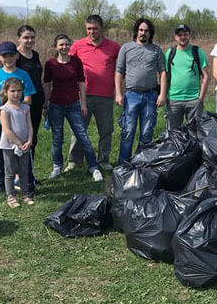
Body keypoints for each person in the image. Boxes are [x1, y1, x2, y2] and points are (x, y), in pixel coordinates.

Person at [43, 34, 103, 182]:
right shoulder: (50, 64)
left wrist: (83, 103)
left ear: (70, 46)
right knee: (57, 138)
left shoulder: (76, 62)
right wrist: (45, 104)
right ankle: (57, 167)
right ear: (56, 47)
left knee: (83, 136)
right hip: (56, 105)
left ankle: (93, 167)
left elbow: (81, 83)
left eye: (67, 44)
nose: (64, 47)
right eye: (61, 45)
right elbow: (47, 84)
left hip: (73, 105)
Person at [66, 15, 120, 172]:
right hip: (83, 96)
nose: (92, 31)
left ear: (102, 29)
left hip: (105, 96)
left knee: (106, 130)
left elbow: (123, 65)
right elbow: (67, 65)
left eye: (95, 28)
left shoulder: (113, 46)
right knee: (78, 129)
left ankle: (103, 160)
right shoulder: (78, 45)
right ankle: (75, 161)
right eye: (89, 28)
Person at [0, 41, 36, 199]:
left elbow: (28, 97)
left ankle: (27, 185)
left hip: (19, 125)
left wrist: (18, 112)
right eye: (5, 56)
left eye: (11, 55)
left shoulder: (23, 75)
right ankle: (0, 186)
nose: (8, 58)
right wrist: (0, 115)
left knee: (24, 154)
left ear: (17, 56)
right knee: (0, 155)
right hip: (0, 124)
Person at [115, 18, 166, 163]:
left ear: (151, 33)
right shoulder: (126, 48)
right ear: (137, 31)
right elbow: (119, 71)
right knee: (128, 131)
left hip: (150, 95)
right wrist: (118, 93)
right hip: (131, 95)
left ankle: (140, 163)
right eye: (141, 30)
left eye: (146, 31)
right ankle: (123, 164)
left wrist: (162, 94)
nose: (143, 33)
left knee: (147, 132)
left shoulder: (156, 50)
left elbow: (163, 72)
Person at [164, 24, 210, 130]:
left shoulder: (197, 52)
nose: (183, 37)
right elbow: (166, 76)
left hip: (194, 100)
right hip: (174, 100)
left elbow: (206, 76)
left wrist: (200, 99)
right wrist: (164, 95)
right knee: (173, 134)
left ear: (189, 35)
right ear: (175, 37)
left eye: (185, 34)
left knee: (196, 133)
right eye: (180, 35)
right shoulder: (170, 53)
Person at [0, 78, 34, 208]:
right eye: (12, 91)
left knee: (24, 170)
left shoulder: (25, 108)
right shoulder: (5, 109)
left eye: (19, 91)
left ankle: (25, 194)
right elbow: (7, 130)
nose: (16, 94)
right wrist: (19, 143)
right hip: (9, 146)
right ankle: (11, 197)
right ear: (6, 92)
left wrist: (29, 141)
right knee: (10, 172)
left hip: (24, 145)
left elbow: (30, 126)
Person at [15, 25, 42, 190]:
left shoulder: (36, 55)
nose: (29, 40)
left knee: (33, 138)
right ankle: (17, 176)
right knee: (20, 139)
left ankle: (29, 173)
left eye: (32, 37)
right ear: (19, 38)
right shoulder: (15, 57)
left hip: (37, 102)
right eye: (26, 37)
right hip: (21, 103)